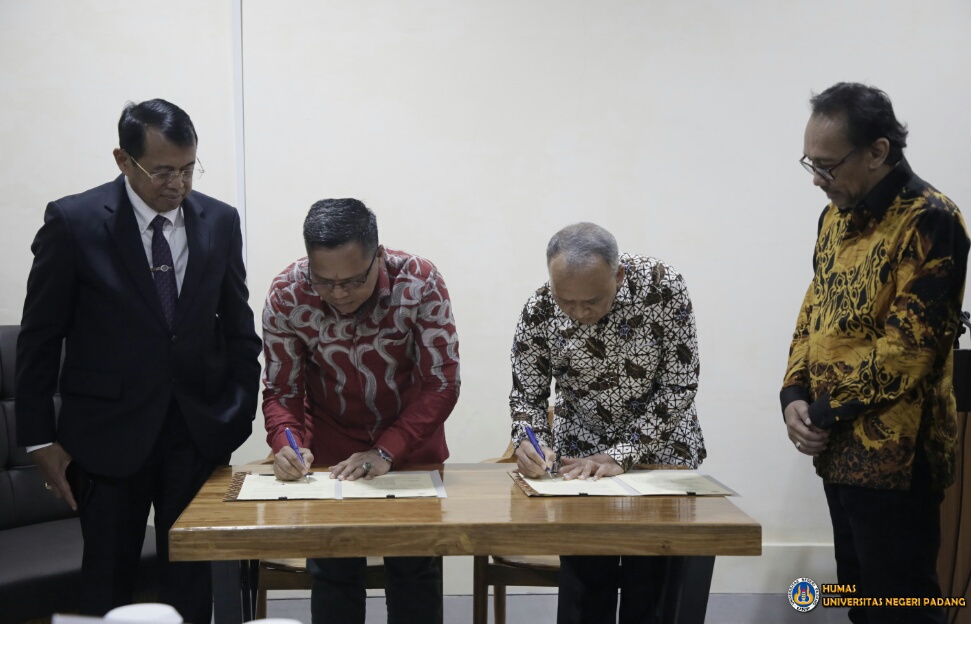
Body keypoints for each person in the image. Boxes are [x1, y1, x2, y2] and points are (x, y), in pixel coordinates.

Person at [15, 99, 262, 622]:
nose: (179, 184)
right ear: (123, 161)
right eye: (163, 171)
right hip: (105, 437)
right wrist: (38, 439)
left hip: (197, 433)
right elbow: (39, 337)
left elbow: (239, 330)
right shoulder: (74, 221)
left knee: (191, 586)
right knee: (108, 586)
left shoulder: (220, 220)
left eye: (189, 169)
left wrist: (236, 414)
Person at [781, 82, 969, 623]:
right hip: (838, 450)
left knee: (902, 612)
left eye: (827, 166)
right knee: (862, 609)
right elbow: (816, 308)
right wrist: (793, 394)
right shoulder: (836, 216)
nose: (817, 179)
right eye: (810, 163)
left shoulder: (930, 220)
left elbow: (908, 351)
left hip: (898, 459)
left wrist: (821, 412)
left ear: (877, 151)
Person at [263, 198, 460, 623]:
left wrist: (387, 450)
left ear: (379, 257)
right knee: (332, 573)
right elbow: (282, 389)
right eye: (324, 281)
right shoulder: (287, 294)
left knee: (414, 572)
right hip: (331, 454)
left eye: (353, 281)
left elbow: (441, 383)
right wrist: (287, 442)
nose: (339, 294)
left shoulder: (420, 282)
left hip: (411, 447)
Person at [510, 222, 706, 623]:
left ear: (618, 275)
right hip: (580, 465)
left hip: (659, 453)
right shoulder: (539, 309)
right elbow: (527, 395)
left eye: (592, 301)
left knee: (651, 589)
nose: (580, 313)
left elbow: (680, 384)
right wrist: (530, 441)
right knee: (585, 589)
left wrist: (622, 454)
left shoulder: (663, 288)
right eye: (567, 301)